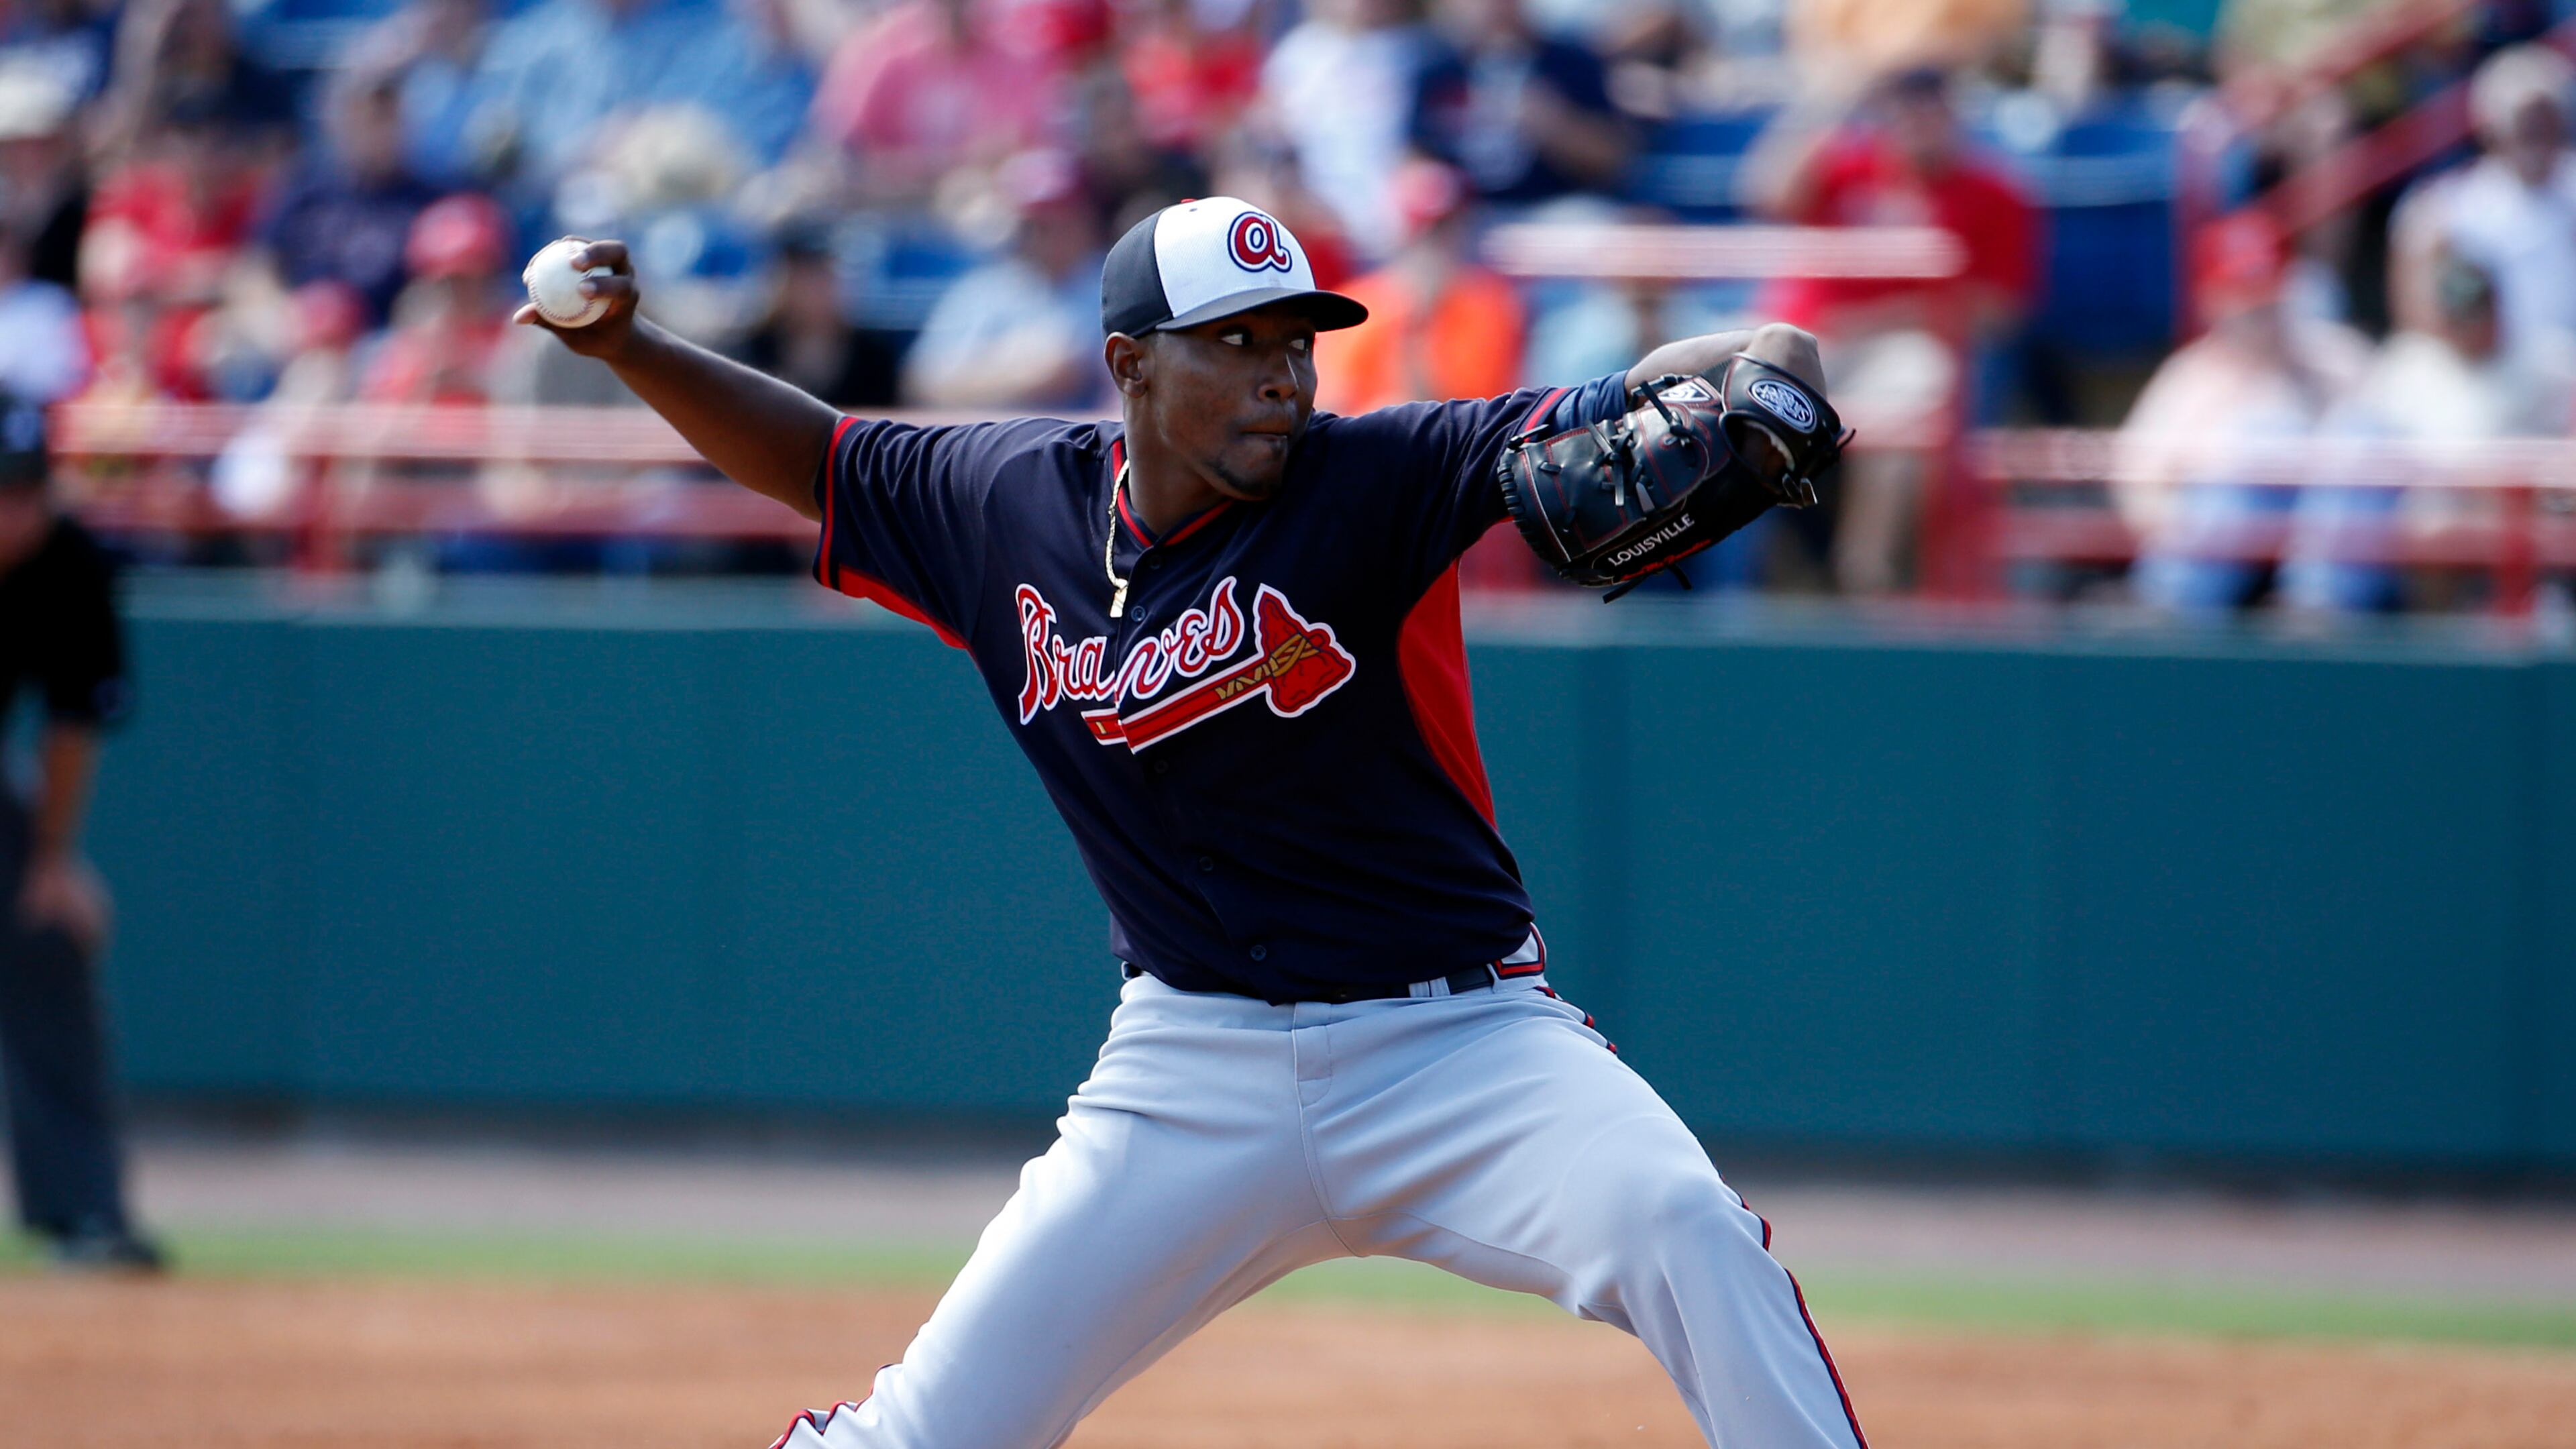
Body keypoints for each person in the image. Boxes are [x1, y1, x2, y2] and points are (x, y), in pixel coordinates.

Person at [515, 199, 1868, 1448]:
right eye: (1238, 344)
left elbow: (1718, 363)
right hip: (1191, 1068)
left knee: (1686, 1230)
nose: (1284, 376)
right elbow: (818, 462)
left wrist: (1779, 365)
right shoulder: (1008, 505)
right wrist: (629, 344)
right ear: (1130, 363)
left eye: (1298, 343)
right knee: (926, 1430)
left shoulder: (1380, 476)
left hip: (1463, 1047)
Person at [1741, 64, 2039, 594]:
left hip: (1905, 348)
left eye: (1934, 110)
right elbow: (1764, 192)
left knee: (1916, 384)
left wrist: (1895, 316)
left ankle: (1866, 573)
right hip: (1809, 342)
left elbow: (2001, 311)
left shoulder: (1993, 191)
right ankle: (1724, 577)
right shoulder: (1845, 166)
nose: (1920, 124)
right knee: (1724, 389)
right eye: (1906, 109)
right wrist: (1832, 101)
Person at [0, 392, 160, 1272]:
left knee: (47, 937)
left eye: (23, 490)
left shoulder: (68, 563)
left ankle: (84, 1215)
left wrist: (51, 862)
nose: (9, 511)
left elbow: (70, 725)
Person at [2114, 213, 2369, 613]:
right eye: (2241, 291)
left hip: (2321, 567)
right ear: (2210, 300)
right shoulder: (2188, 379)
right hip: (2211, 573)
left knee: (2349, 435)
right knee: (2260, 436)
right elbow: (2137, 491)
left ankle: (2314, 608)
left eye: (2267, 289)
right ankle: (2171, 609)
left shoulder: (2338, 358)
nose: (2258, 308)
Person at [900, 150, 1108, 411]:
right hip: (993, 443)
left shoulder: (1116, 283)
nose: (1042, 237)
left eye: (1056, 221)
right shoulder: (984, 290)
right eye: (1032, 224)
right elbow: (922, 384)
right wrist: (1022, 372)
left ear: (1085, 219)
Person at [1316, 158, 1525, 415]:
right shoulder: (1356, 304)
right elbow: (1329, 408)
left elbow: (1466, 420)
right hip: (1362, 440)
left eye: (1447, 227)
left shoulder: (1489, 305)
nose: (1438, 243)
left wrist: (1418, 328)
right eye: (1427, 230)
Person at [1411, 0, 1633, 210]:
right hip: (1465, 218)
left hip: (1555, 210)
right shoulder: (1438, 72)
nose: (1490, 7)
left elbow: (1613, 162)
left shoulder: (1571, 63)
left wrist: (1554, 125)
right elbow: (1415, 163)